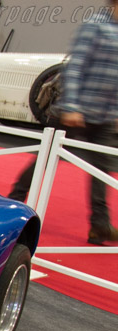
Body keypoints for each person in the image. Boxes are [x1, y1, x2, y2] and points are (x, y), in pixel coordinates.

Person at [8, 2, 118, 245]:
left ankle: (100, 225)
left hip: (104, 116)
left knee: (101, 169)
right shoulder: (95, 26)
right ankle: (12, 202)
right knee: (46, 159)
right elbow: (75, 67)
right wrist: (71, 106)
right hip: (76, 112)